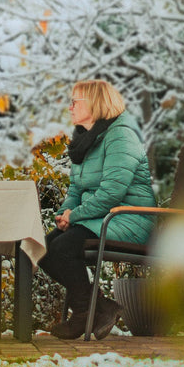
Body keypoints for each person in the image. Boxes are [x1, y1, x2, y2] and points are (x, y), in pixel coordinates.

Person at [38, 79, 157, 339]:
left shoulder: (121, 134)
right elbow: (76, 190)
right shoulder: (85, 140)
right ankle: (97, 308)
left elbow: (113, 192)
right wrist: (65, 214)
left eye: (74, 102)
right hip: (104, 216)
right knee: (44, 248)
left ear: (95, 103)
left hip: (130, 218)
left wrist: (76, 215)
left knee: (63, 247)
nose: (69, 108)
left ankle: (86, 313)